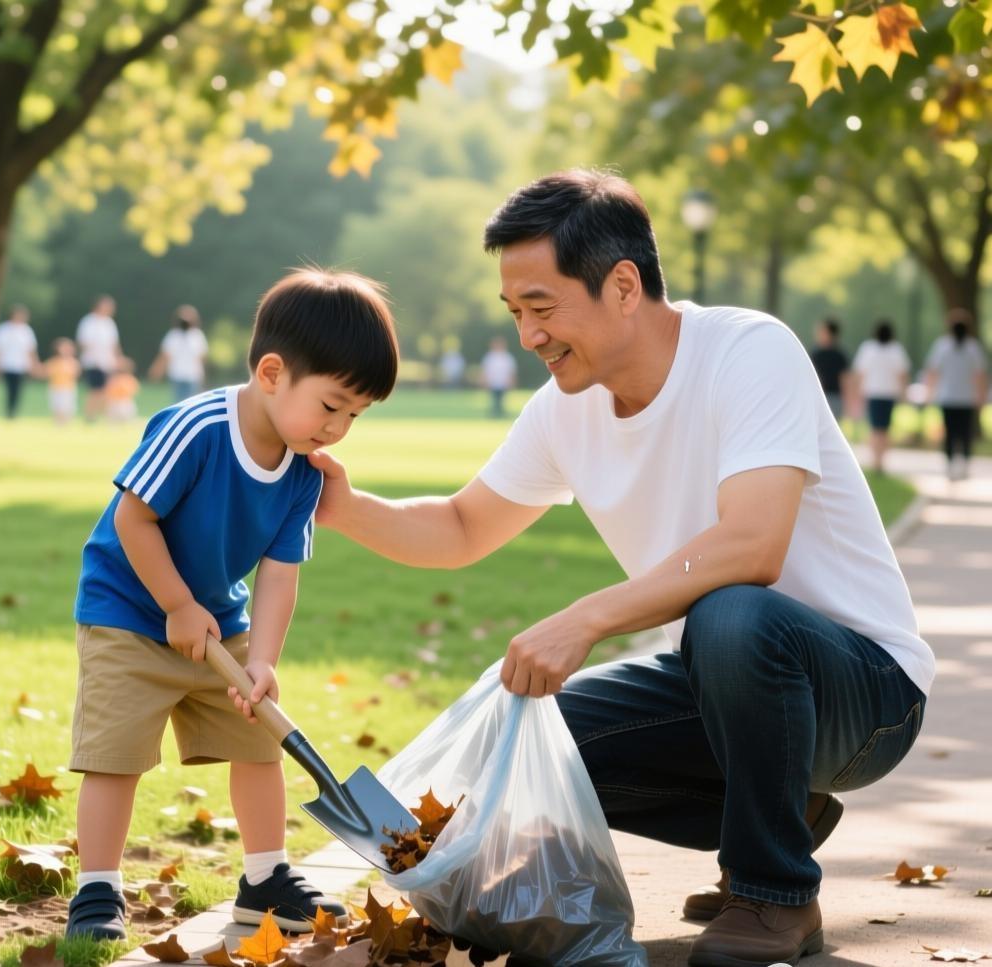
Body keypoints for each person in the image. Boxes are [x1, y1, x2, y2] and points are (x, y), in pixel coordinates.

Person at [307, 171, 934, 967]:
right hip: (726, 687)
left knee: (732, 610)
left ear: (624, 285)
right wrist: (344, 505)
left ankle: (774, 892)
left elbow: (752, 545)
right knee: (531, 738)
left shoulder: (748, 351)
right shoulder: (565, 409)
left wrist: (587, 617)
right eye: (516, 313)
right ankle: (781, 810)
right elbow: (464, 525)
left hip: (867, 695)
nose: (528, 334)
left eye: (542, 307)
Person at [66, 268, 399, 941]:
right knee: (115, 754)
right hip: (129, 610)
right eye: (331, 405)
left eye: (354, 416)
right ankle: (97, 889)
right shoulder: (199, 428)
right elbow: (134, 519)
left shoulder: (306, 470)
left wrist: (265, 657)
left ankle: (264, 878)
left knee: (259, 740)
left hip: (220, 618)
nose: (337, 428)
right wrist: (176, 604)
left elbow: (280, 571)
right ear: (273, 373)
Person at [924, 308, 989, 481]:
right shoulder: (973, 348)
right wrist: (981, 396)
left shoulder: (942, 346)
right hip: (967, 398)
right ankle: (964, 464)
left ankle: (951, 463)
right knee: (965, 432)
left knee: (951, 431)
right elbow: (980, 375)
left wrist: (929, 392)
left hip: (948, 397)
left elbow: (932, 372)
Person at [851, 320, 911, 474]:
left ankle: (876, 459)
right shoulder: (896, 350)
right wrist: (904, 394)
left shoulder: (868, 349)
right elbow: (902, 374)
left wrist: (857, 392)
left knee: (874, 428)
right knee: (884, 429)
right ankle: (880, 460)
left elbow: (860, 373)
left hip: (872, 393)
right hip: (889, 393)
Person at [149, 305, 210, 402]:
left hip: (193, 376)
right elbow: (165, 356)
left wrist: (203, 376)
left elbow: (201, 358)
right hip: (177, 375)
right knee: (179, 403)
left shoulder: (197, 336)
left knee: (191, 403)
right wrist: (157, 371)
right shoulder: (173, 335)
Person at [76, 295, 121, 421]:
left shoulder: (109, 323)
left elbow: (114, 344)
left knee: (106, 391)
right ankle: (89, 416)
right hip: (93, 362)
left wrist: (117, 359)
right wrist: (93, 358)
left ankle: (103, 415)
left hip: (107, 362)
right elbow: (84, 342)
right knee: (95, 390)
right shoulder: (88, 321)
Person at [0, 305, 38, 418]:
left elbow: (31, 350)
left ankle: (13, 412)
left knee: (17, 390)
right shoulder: (2, 330)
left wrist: (33, 365)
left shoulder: (26, 330)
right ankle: (8, 411)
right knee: (9, 389)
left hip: (20, 366)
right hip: (6, 365)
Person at [809, 317, 849, 422]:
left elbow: (844, 379)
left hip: (835, 396)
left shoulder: (839, 355)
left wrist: (846, 399)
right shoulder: (815, 354)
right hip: (819, 396)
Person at [44, 338, 82, 425]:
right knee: (57, 407)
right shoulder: (53, 361)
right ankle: (58, 423)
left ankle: (66, 423)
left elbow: (77, 374)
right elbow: (45, 372)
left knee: (68, 407)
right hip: (55, 388)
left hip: (68, 389)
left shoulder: (73, 362)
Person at [481, 335, 517, 417]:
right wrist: (484, 381)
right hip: (492, 383)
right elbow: (485, 370)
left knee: (501, 399)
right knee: (494, 399)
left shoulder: (507, 357)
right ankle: (494, 413)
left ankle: (500, 413)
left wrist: (511, 381)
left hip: (503, 382)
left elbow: (511, 371)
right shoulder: (489, 357)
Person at [105, 357, 141, 422]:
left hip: (124, 401)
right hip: (116, 402)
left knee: (124, 417)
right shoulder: (115, 379)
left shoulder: (129, 379)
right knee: (115, 418)